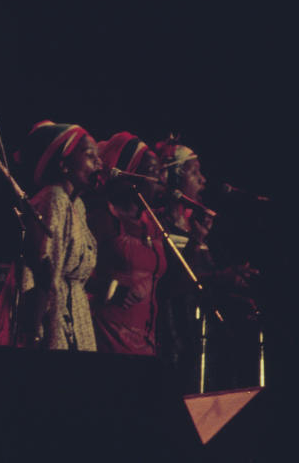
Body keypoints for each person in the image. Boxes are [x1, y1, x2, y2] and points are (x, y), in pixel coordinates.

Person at [152, 138, 258, 392]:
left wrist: (232, 276)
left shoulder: (193, 224)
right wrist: (220, 275)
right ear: (174, 179)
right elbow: (174, 281)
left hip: (199, 333)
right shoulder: (157, 222)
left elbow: (204, 276)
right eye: (195, 172)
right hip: (170, 332)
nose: (204, 180)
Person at [0, 120, 101, 351]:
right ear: (64, 165)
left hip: (74, 310)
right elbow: (44, 271)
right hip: (52, 314)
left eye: (98, 156)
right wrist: (36, 332)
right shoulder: (53, 199)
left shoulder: (79, 206)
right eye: (89, 155)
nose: (98, 163)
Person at [87, 132, 168, 355]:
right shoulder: (102, 217)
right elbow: (70, 273)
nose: (159, 180)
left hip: (146, 343)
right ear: (129, 176)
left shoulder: (151, 223)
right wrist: (110, 289)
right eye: (151, 173)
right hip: (108, 340)